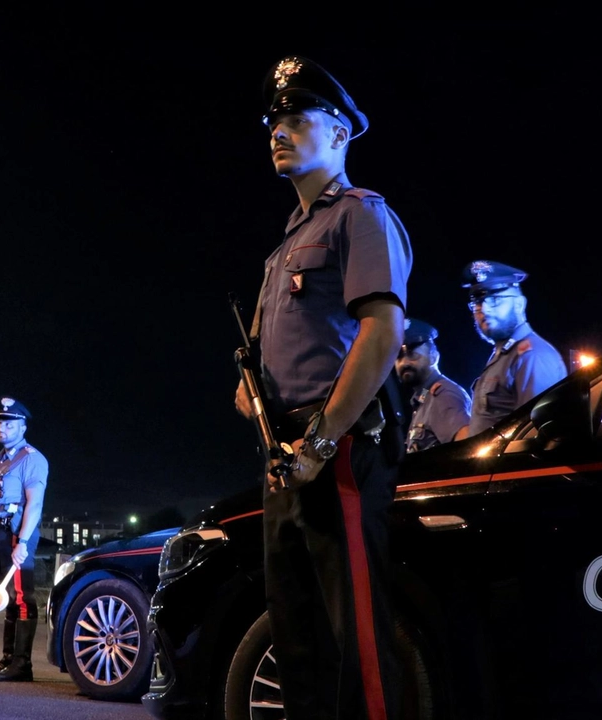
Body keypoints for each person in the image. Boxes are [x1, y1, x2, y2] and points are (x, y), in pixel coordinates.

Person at [233, 55, 412, 719]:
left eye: (297, 118)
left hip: (337, 450)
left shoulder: (359, 217)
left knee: (358, 638)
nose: (278, 131)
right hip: (285, 457)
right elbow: (254, 364)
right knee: (297, 635)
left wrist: (322, 435)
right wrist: (250, 395)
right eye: (273, 122)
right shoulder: (284, 246)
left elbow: (382, 333)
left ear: (339, 134)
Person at [0, 396, 50, 683]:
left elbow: (34, 504)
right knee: (6, 597)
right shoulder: (0, 460)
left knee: (22, 597)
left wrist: (22, 542)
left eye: (8, 422)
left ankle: (22, 665)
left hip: (17, 534)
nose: (2, 428)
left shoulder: (32, 459)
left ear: (22, 426)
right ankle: (8, 658)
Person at [457, 260, 568, 438]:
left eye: (495, 299)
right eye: (478, 302)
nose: (484, 309)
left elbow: (532, 436)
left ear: (519, 304)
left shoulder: (532, 355)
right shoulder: (503, 355)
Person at [398, 318, 470, 452]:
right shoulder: (424, 396)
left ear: (434, 356)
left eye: (412, 354)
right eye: (399, 357)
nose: (404, 363)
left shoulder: (443, 396)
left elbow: (467, 449)